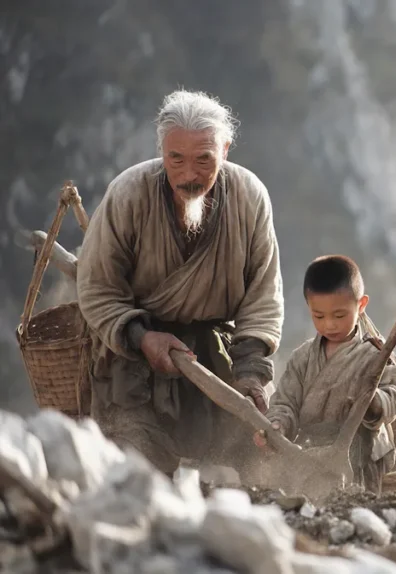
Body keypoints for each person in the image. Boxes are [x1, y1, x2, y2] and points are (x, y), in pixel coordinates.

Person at [77, 89, 284, 478]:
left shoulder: (249, 195)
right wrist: (142, 338)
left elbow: (263, 296)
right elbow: (98, 289)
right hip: (135, 363)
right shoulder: (128, 194)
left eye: (204, 159)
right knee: (138, 469)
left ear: (225, 150)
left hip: (215, 361)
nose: (189, 175)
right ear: (162, 152)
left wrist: (252, 375)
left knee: (254, 459)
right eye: (177, 159)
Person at [254, 255, 396, 494]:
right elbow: (286, 402)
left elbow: (394, 394)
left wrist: (374, 402)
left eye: (339, 315)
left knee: (352, 498)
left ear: (361, 305)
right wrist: (278, 424)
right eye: (319, 316)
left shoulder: (376, 354)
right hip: (310, 448)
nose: (329, 325)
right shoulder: (302, 358)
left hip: (359, 449)